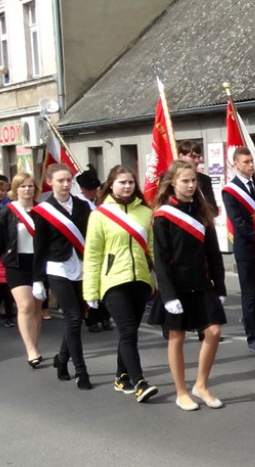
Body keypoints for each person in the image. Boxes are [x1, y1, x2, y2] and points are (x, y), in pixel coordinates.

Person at [149, 159, 226, 411]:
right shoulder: (163, 216)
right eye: (185, 181)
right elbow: (160, 259)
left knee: (214, 332)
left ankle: (201, 385)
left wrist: (221, 286)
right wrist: (168, 295)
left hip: (201, 284)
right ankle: (181, 391)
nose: (191, 185)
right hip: (176, 287)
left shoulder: (202, 211)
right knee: (177, 337)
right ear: (172, 183)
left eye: (193, 180)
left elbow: (213, 253)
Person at [82, 166, 159, 403]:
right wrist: (91, 291)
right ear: (111, 185)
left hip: (140, 281)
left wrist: (160, 280)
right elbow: (93, 254)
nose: (127, 186)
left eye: (130, 182)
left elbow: (153, 249)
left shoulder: (146, 213)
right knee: (127, 331)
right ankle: (140, 382)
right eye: (122, 182)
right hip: (113, 280)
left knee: (130, 332)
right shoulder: (100, 215)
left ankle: (121, 376)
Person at [32, 164, 93, 389]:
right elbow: (40, 246)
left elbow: (91, 235)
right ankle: (81, 371)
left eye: (69, 180)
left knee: (77, 319)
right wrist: (37, 279)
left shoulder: (83, 205)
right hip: (57, 267)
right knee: (74, 317)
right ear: (50, 182)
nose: (66, 184)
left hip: (82, 265)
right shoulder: (43, 210)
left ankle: (61, 358)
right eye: (61, 180)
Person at [0, 174, 42, 366]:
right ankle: (30, 349)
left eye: (30, 186)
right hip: (16, 264)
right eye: (23, 186)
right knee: (25, 306)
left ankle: (34, 343)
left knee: (36, 308)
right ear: (16, 189)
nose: (27, 190)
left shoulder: (42, 211)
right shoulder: (8, 212)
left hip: (38, 263)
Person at [222, 147, 255, 354]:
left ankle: (251, 317)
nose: (250, 165)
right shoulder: (230, 190)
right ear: (236, 164)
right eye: (246, 162)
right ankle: (253, 337)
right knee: (248, 293)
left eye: (252, 161)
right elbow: (238, 222)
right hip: (247, 248)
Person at [76, 167, 113, 334]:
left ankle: (104, 316)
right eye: (90, 190)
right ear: (83, 189)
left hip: (104, 248)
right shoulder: (78, 204)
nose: (94, 192)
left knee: (104, 283)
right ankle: (91, 318)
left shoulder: (100, 202)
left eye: (95, 189)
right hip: (85, 248)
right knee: (90, 285)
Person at [177, 140, 217, 210]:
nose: (197, 161)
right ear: (181, 156)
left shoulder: (204, 180)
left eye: (198, 157)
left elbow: (213, 208)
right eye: (193, 157)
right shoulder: (167, 178)